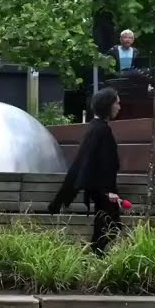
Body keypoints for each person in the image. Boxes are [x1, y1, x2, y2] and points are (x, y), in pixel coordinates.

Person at [48, 87, 124, 255]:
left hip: (102, 190)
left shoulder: (96, 128)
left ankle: (95, 260)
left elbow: (88, 162)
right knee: (108, 228)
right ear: (108, 105)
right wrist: (107, 191)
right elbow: (100, 163)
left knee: (108, 228)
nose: (119, 107)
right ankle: (94, 262)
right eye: (117, 103)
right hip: (103, 191)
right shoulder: (100, 130)